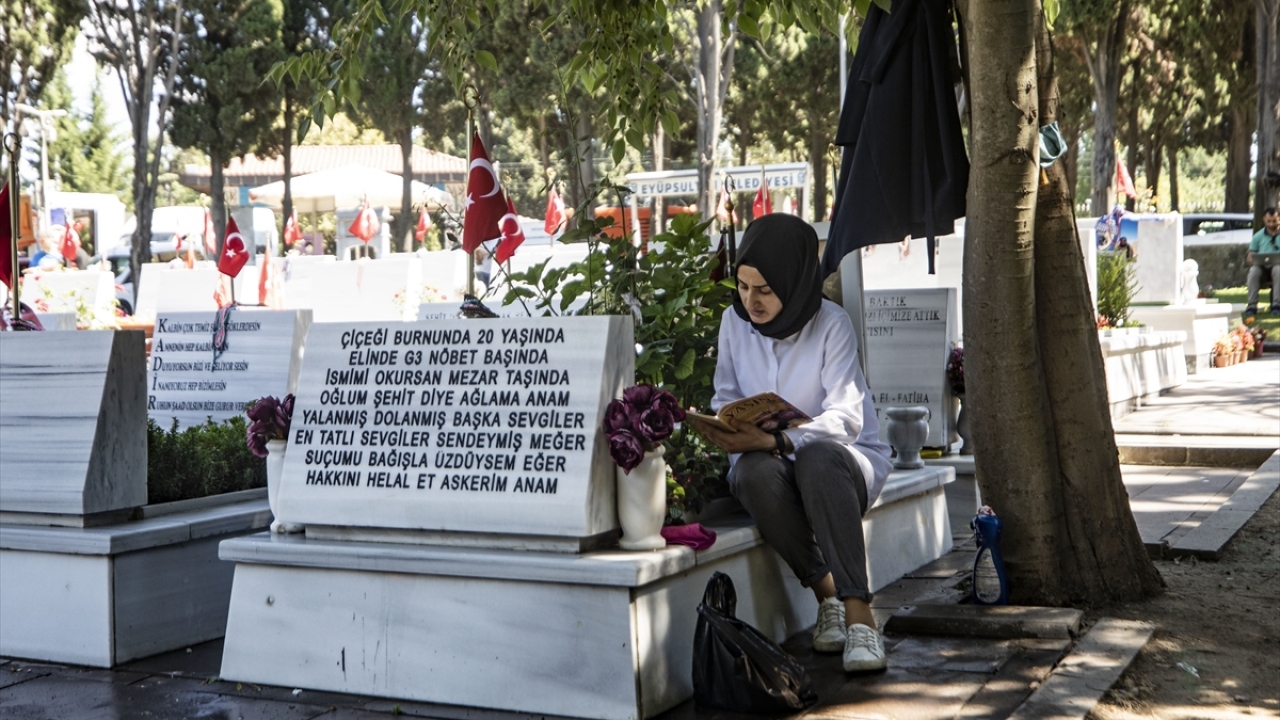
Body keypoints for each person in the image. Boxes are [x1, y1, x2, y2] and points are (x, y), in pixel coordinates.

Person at [688, 214, 894, 673]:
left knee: (817, 458)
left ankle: (859, 616)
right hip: (771, 461)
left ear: (794, 280)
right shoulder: (733, 322)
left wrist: (780, 437)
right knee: (750, 473)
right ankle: (828, 598)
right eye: (743, 287)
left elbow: (846, 419)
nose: (751, 301)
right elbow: (725, 396)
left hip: (841, 464)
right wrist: (728, 427)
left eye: (764, 289)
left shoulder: (831, 324)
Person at [1246, 207, 1280, 316]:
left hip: (1278, 268)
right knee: (1254, 271)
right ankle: (1252, 305)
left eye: (1274, 221)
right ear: (1264, 219)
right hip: (1262, 269)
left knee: (1278, 269)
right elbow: (1250, 257)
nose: (1271, 224)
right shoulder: (1258, 236)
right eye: (1268, 221)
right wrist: (1253, 260)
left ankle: (1276, 305)